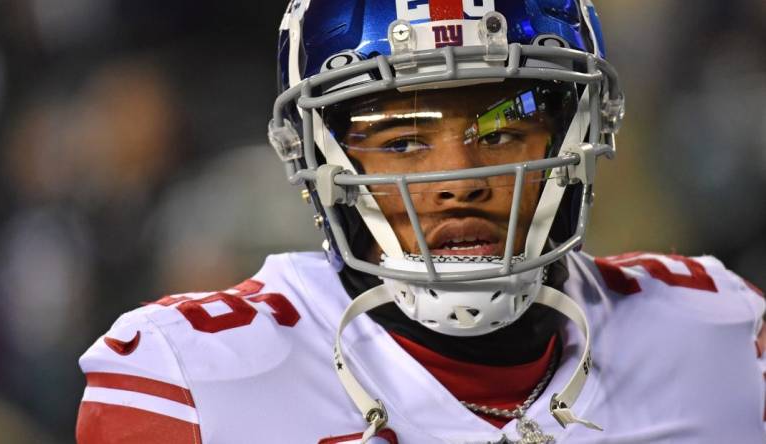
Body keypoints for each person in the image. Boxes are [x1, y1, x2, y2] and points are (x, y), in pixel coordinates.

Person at [75, 0, 766, 443]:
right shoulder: (193, 385)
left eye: (500, 131)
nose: (458, 182)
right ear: (323, 160)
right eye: (402, 140)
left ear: (576, 140)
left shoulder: (720, 339)